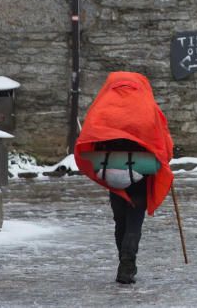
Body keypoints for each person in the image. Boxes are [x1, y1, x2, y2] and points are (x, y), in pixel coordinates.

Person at [74, 72, 175, 284]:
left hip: (112, 171)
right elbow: (162, 139)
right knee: (134, 219)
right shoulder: (148, 109)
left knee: (120, 220)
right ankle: (128, 261)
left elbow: (92, 134)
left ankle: (124, 260)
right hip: (141, 173)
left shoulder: (102, 107)